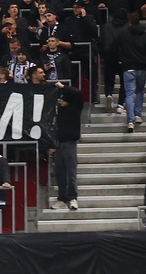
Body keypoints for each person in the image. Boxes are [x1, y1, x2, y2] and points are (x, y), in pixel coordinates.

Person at [113, 12, 146, 132]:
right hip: (142, 67)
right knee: (140, 91)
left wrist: (120, 60)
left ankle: (130, 120)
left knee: (129, 93)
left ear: (129, 22)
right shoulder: (145, 36)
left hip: (128, 68)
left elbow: (114, 48)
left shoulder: (124, 34)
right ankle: (138, 114)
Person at [50, 80, 83, 210]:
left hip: (70, 143)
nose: (61, 101)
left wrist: (64, 87)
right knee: (60, 173)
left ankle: (73, 197)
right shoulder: (58, 112)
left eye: (63, 99)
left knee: (71, 172)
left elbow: (78, 93)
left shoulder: (75, 109)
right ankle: (62, 198)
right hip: (59, 144)